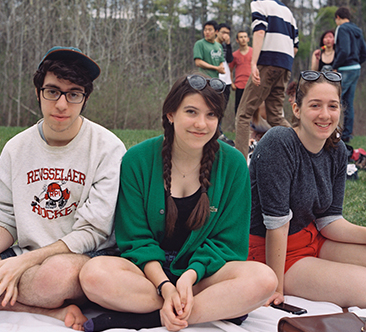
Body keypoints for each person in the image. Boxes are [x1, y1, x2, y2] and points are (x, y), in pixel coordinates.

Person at [0, 46, 126, 330]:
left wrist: (22, 265)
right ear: (38, 92)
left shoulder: (108, 148)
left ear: (84, 99)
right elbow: (7, 221)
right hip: (24, 254)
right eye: (52, 91)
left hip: (81, 259)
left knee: (54, 278)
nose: (61, 104)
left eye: (73, 94)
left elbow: (93, 232)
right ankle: (50, 312)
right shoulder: (15, 149)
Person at [77, 74, 277, 332]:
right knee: (94, 274)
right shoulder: (137, 160)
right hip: (148, 277)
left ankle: (150, 318)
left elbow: (229, 244)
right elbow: (135, 239)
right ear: (170, 114)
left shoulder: (234, 164)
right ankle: (208, 307)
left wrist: (189, 276)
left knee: (263, 279)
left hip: (203, 275)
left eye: (211, 115)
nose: (201, 124)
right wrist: (165, 285)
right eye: (191, 112)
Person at [248, 70, 366, 310]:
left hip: (314, 238)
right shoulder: (279, 142)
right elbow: (276, 225)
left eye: (332, 106)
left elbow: (329, 220)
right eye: (315, 105)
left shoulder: (337, 151)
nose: (325, 115)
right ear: (297, 109)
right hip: (271, 250)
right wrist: (276, 286)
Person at [235, 0, 298, 161]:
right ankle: (301, 152)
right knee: (275, 116)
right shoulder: (287, 12)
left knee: (243, 115)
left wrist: (254, 62)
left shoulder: (259, 4)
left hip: (267, 62)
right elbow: (295, 46)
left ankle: (240, 165)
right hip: (285, 65)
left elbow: (259, 31)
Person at [332, 6, 366, 143]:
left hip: (345, 68)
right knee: (348, 102)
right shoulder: (357, 30)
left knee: (333, 98)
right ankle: (347, 134)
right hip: (356, 68)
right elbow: (365, 54)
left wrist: (334, 66)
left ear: (337, 18)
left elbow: (345, 51)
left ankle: (331, 131)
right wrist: (355, 62)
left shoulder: (342, 29)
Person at [229, 30, 253, 115]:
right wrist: (232, 83)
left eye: (245, 37)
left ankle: (253, 127)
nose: (243, 39)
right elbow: (230, 70)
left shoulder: (253, 52)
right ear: (237, 40)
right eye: (241, 37)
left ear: (248, 39)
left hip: (252, 84)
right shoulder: (234, 55)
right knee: (239, 108)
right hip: (239, 85)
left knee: (252, 108)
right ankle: (238, 127)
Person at [215, 23, 234, 108]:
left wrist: (228, 44)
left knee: (223, 107)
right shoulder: (211, 45)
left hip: (226, 80)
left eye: (227, 33)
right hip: (215, 78)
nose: (225, 35)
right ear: (217, 32)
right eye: (223, 32)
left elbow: (229, 59)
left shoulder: (225, 46)